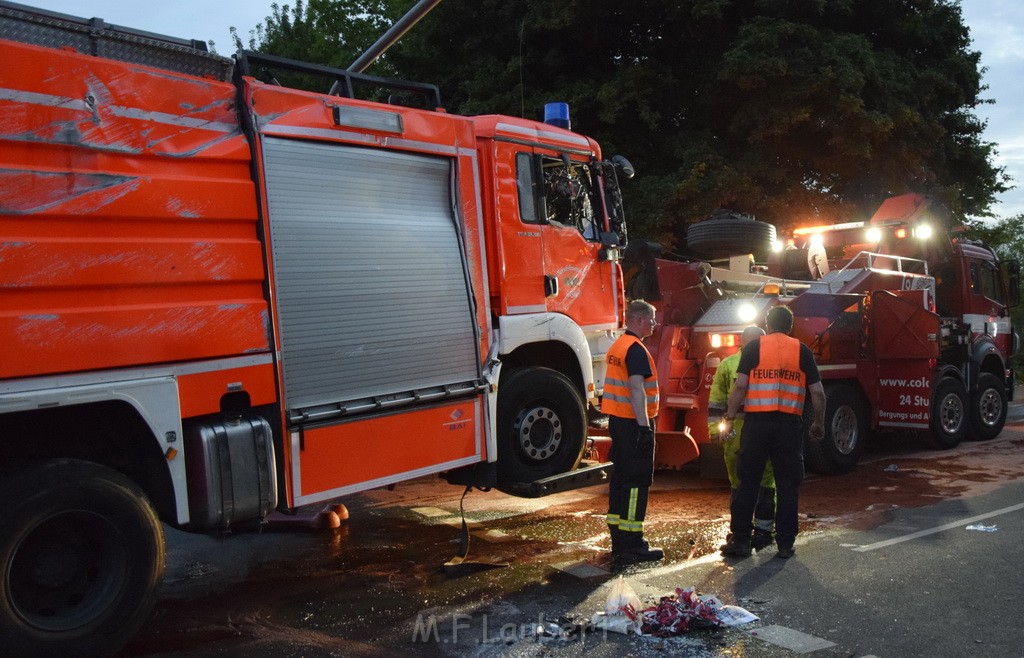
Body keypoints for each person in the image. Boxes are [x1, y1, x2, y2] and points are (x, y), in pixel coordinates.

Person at [719, 306, 826, 559]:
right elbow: (818, 392)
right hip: (788, 426)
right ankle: (785, 544)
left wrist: (730, 418)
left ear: (767, 324)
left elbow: (740, 386)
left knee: (748, 484)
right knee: (788, 485)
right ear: (790, 327)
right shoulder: (802, 351)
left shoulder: (754, 347)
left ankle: (742, 541)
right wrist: (818, 423)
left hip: (757, 425)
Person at [601, 299, 664, 564]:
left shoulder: (618, 345)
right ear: (639, 320)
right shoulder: (636, 350)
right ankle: (632, 543)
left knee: (621, 479)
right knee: (637, 482)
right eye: (651, 319)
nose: (654, 323)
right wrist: (643, 427)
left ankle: (619, 537)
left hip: (618, 421)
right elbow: (637, 390)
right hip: (633, 423)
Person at [707, 325, 777, 551]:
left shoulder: (729, 365)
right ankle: (762, 533)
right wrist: (715, 428)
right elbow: (717, 400)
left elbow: (718, 400)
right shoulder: (766, 365)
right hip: (756, 431)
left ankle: (744, 535)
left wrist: (717, 429)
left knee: (744, 483)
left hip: (739, 431)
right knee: (761, 482)